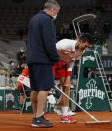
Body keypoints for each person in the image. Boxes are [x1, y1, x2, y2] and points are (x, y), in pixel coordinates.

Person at [26, 0, 60, 128]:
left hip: (32, 58)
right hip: (43, 59)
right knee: (44, 88)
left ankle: (35, 116)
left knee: (35, 88)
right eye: (56, 12)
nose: (56, 15)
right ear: (52, 10)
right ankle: (39, 117)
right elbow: (49, 42)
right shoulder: (47, 20)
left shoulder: (34, 19)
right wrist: (55, 58)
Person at [53, 33, 92, 123]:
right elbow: (51, 52)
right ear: (80, 41)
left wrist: (68, 76)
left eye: (87, 47)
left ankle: (65, 115)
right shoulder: (64, 44)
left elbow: (71, 61)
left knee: (67, 86)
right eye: (85, 46)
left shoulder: (82, 51)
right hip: (52, 61)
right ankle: (41, 114)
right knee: (46, 87)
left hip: (64, 65)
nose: (85, 49)